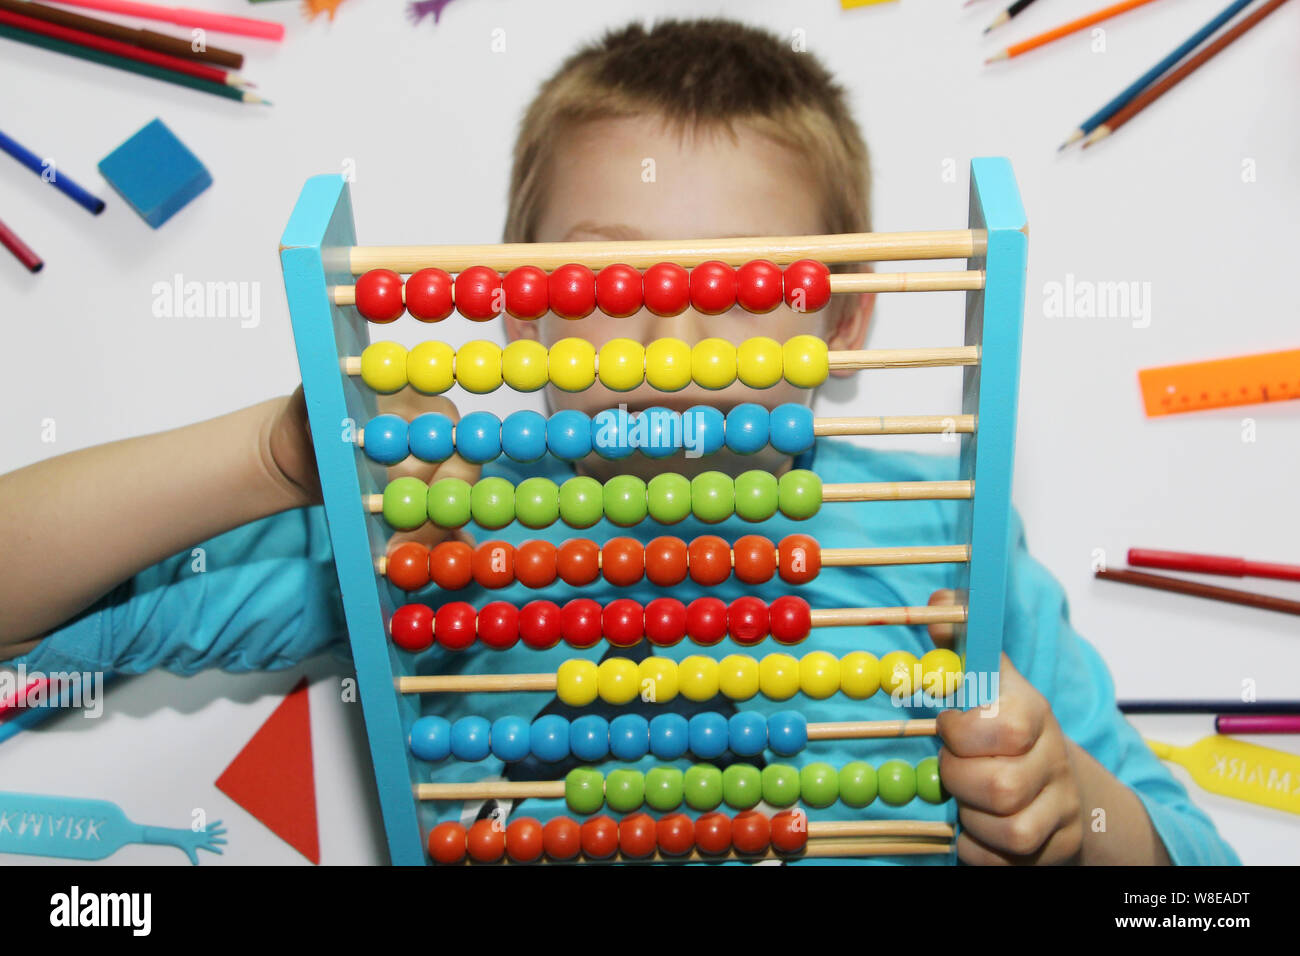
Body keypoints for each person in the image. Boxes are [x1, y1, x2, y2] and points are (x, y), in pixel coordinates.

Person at [0, 18, 1237, 865]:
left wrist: (1080, 817)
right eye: (601, 273)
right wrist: (279, 454)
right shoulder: (432, 525)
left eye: (741, 278)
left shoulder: (946, 546)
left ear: (846, 319)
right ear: (512, 305)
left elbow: (1205, 886)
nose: (666, 324)